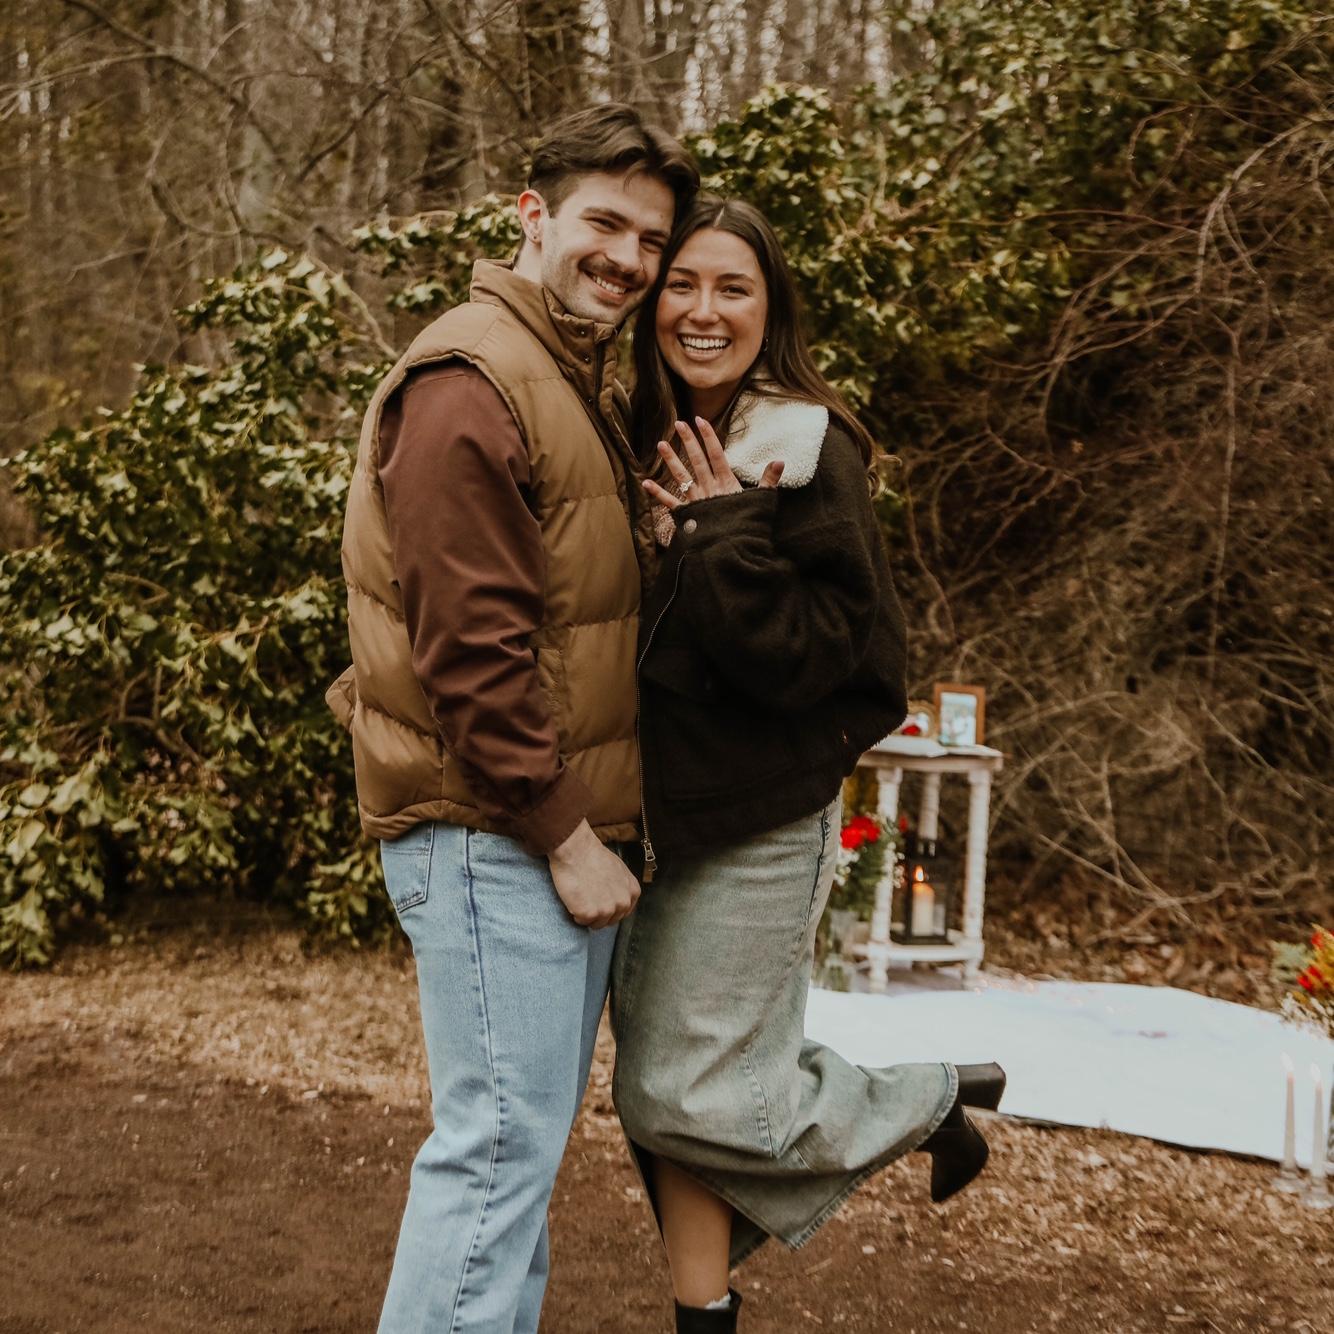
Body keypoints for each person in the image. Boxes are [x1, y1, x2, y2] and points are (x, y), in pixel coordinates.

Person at [325, 104, 698, 1333]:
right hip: (496, 834)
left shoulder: (558, 374)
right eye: (603, 221)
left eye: (650, 238)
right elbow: (471, 654)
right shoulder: (470, 378)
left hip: (528, 833)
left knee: (512, 1167)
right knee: (491, 1161)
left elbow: (551, 612)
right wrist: (565, 832)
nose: (629, 258)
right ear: (529, 218)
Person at [611, 197, 1007, 1332]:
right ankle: (703, 1314)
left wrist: (721, 535)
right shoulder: (631, 429)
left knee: (675, 1089)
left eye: (731, 288)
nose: (700, 309)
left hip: (758, 817)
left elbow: (843, 661)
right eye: (680, 282)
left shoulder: (801, 442)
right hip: (653, 814)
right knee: (668, 1108)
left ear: (769, 307)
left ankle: (925, 1099)